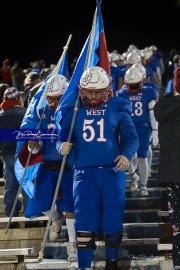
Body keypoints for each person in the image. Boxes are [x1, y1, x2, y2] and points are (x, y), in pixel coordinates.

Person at [56, 66, 139, 270]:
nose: (92, 96)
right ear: (82, 90)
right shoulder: (73, 109)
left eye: (97, 91)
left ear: (107, 89)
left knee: (112, 219)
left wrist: (126, 155)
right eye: (89, 91)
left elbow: (132, 138)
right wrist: (61, 147)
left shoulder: (118, 106)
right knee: (83, 223)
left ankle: (112, 263)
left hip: (112, 173)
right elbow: (61, 138)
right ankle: (83, 266)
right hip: (84, 174)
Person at [26, 74, 76, 262]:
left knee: (71, 203)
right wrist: (34, 144)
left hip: (68, 165)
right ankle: (56, 219)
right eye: (50, 98)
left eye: (57, 98)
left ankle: (72, 242)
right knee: (42, 201)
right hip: (48, 164)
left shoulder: (73, 110)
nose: (53, 102)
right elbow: (37, 142)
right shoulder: (42, 112)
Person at [153, 66, 180, 270]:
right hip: (174, 170)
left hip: (172, 173)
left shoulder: (164, 103)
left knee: (177, 224)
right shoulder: (166, 103)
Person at [118, 66, 159, 196]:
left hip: (143, 127)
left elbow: (152, 112)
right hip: (128, 127)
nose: (134, 88)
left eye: (136, 85)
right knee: (128, 156)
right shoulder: (122, 93)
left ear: (142, 81)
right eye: (131, 85)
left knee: (142, 157)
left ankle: (143, 185)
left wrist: (155, 129)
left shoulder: (148, 91)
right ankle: (134, 175)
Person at [0, 87, 27, 226]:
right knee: (27, 187)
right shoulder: (25, 113)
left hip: (7, 156)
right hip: (23, 156)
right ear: (17, 98)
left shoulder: (1, 115)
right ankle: (31, 219)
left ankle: (11, 219)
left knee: (10, 188)